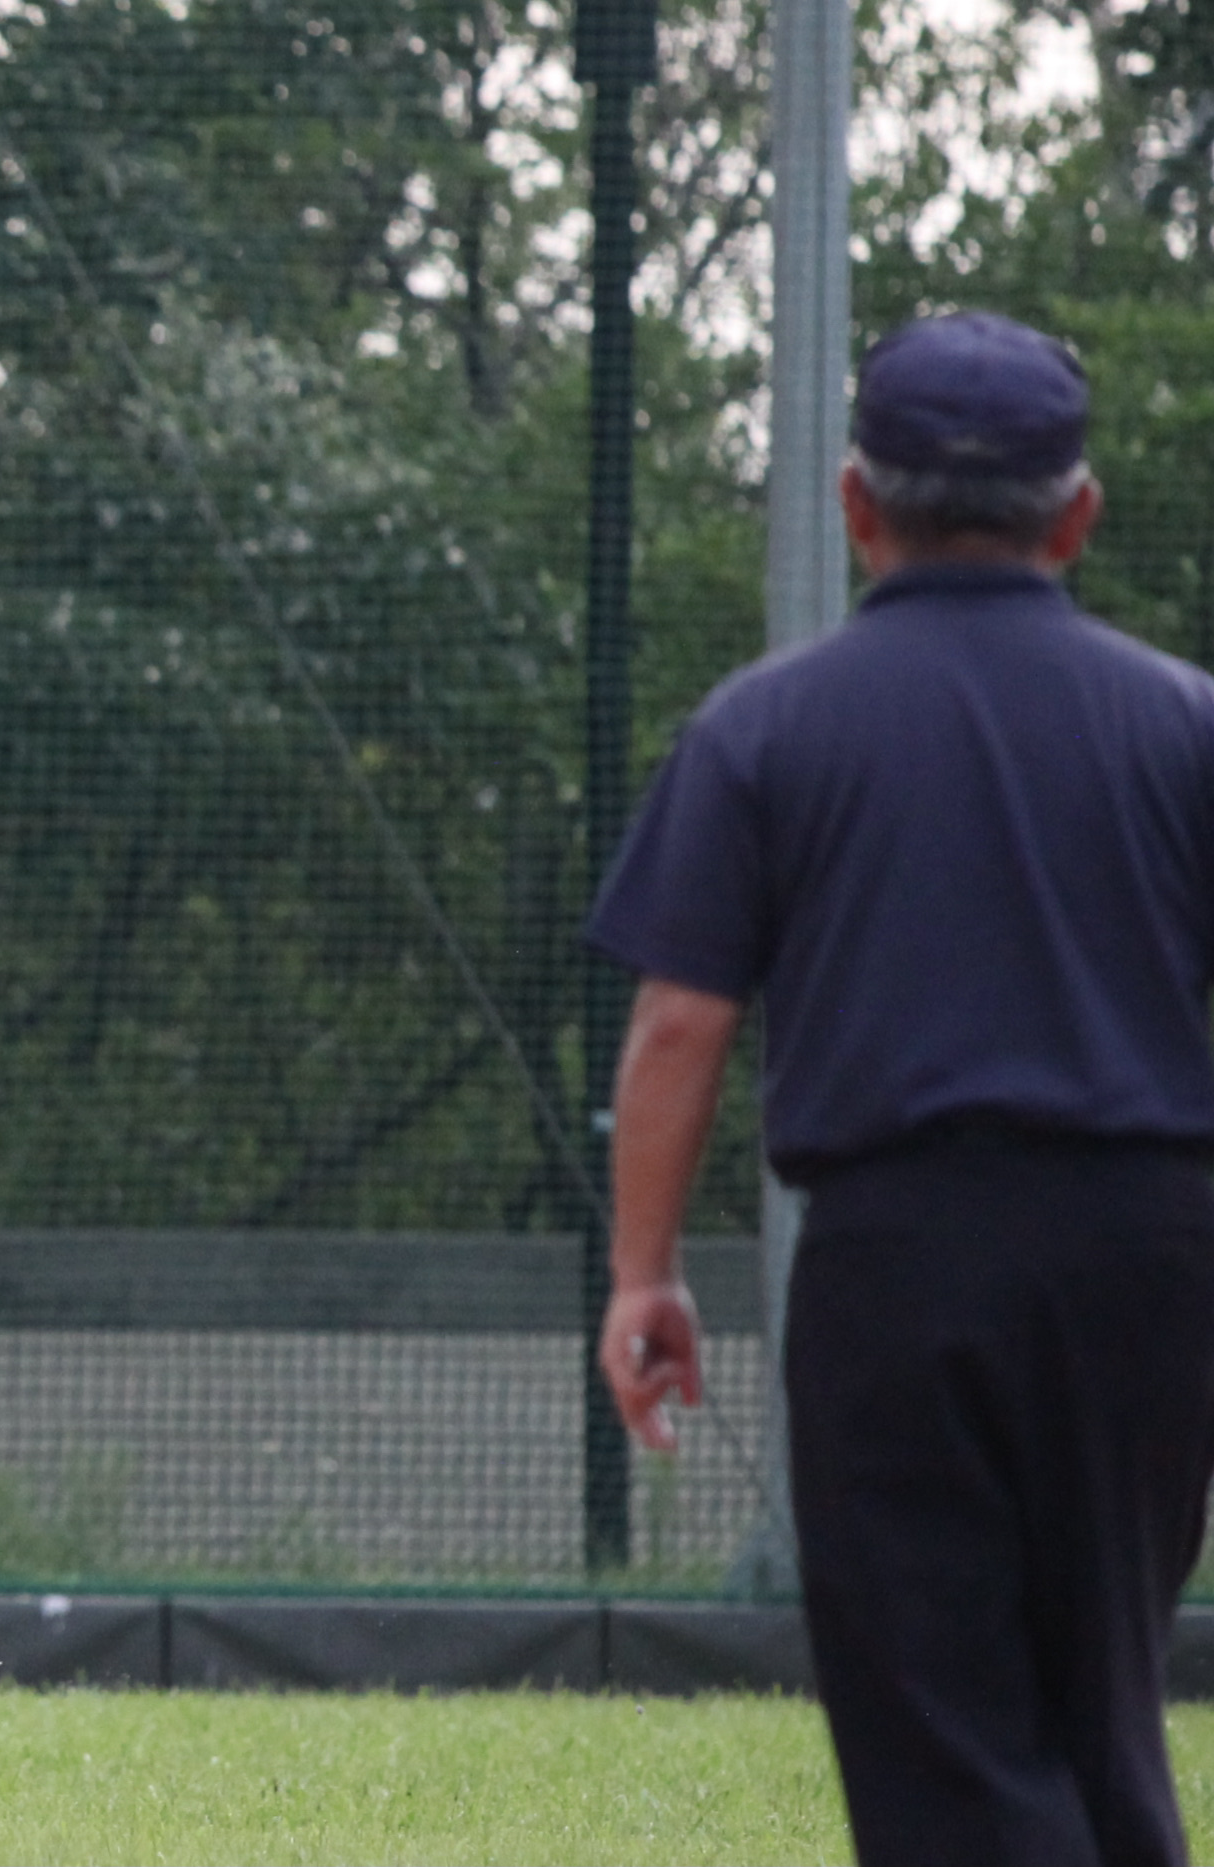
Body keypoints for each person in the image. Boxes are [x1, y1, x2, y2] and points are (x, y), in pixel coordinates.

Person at [588, 311, 1214, 1867]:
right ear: (1078, 515)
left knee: (940, 1711)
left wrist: (645, 1270)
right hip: (1146, 1258)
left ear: (856, 503)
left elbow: (679, 1023)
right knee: (1105, 1695)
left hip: (899, 1257)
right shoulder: (1185, 723)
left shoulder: (765, 726)